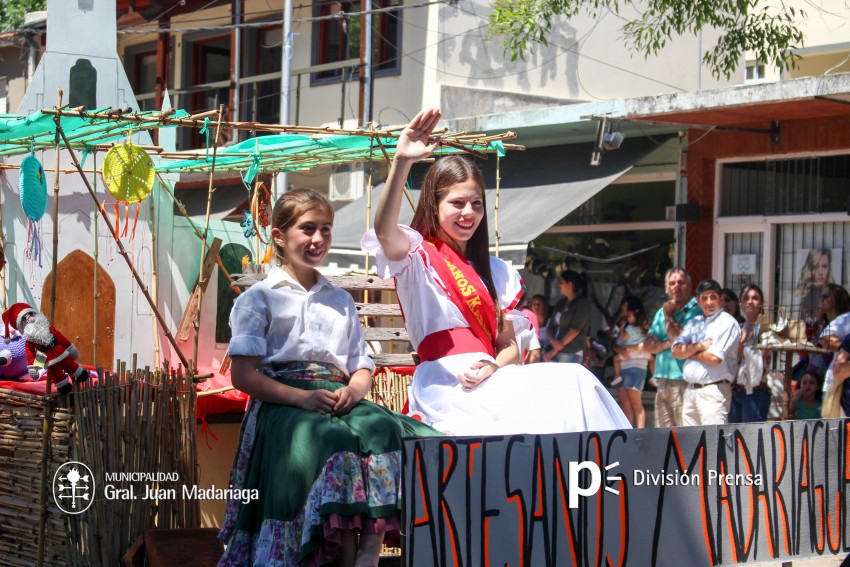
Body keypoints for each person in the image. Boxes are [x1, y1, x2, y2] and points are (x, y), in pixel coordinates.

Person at [363, 108, 630, 435]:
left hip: (493, 378)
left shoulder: (493, 271)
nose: (468, 213)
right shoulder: (417, 255)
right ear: (435, 204)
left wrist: (493, 365)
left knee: (577, 380)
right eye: (457, 203)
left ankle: (597, 479)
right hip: (445, 385)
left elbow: (508, 347)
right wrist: (402, 161)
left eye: (476, 204)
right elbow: (384, 230)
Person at [218, 188, 438, 567]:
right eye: (307, 229)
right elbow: (243, 374)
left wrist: (354, 389)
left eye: (326, 229)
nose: (318, 239)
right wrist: (300, 398)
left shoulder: (339, 299)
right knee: (333, 438)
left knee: (383, 427)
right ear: (279, 238)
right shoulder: (258, 299)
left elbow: (361, 363)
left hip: (338, 396)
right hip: (283, 402)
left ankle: (369, 548)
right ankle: (337, 549)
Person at [627, 268, 702, 428]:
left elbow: (678, 339)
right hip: (663, 381)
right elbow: (648, 345)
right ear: (666, 288)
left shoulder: (695, 310)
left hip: (683, 381)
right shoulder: (662, 311)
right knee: (664, 438)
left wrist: (669, 316)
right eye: (672, 283)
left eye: (681, 283)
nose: (676, 287)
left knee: (684, 436)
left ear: (689, 286)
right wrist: (667, 344)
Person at [672, 279, 742, 426]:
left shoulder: (727, 322)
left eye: (713, 297)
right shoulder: (694, 322)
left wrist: (689, 351)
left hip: (714, 392)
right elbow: (676, 351)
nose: (709, 302)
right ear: (698, 301)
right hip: (691, 391)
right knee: (690, 444)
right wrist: (699, 346)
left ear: (721, 299)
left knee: (713, 443)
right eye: (705, 298)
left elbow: (714, 358)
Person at [729, 284, 772, 423]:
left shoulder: (765, 328)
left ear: (761, 303)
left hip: (756, 392)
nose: (750, 302)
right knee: (733, 440)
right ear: (740, 303)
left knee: (751, 441)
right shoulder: (737, 327)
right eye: (746, 298)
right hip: (735, 391)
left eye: (755, 298)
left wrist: (739, 343)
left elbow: (759, 358)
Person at [611, 296, 651, 428]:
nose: (622, 307)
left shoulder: (643, 327)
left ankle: (639, 435)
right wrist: (621, 349)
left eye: (625, 305)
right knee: (624, 403)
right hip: (624, 365)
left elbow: (648, 346)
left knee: (635, 403)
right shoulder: (623, 325)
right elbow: (616, 345)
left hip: (637, 365)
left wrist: (631, 348)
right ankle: (627, 433)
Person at [543, 270, 591, 363]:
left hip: (570, 352)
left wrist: (555, 350)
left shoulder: (582, 304)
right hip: (554, 350)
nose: (559, 285)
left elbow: (575, 330)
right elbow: (550, 327)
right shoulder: (560, 303)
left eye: (561, 283)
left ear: (570, 284)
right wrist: (553, 341)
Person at [807, 283, 850, 379]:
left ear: (838, 299)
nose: (822, 299)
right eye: (821, 295)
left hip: (837, 376)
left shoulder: (845, 321)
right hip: (816, 376)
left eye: (826, 296)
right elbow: (824, 341)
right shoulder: (819, 324)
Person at [796, 248, 835, 322]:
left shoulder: (834, 293)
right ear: (811, 269)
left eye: (824, 266)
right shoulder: (807, 294)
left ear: (829, 268)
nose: (820, 272)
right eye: (816, 267)